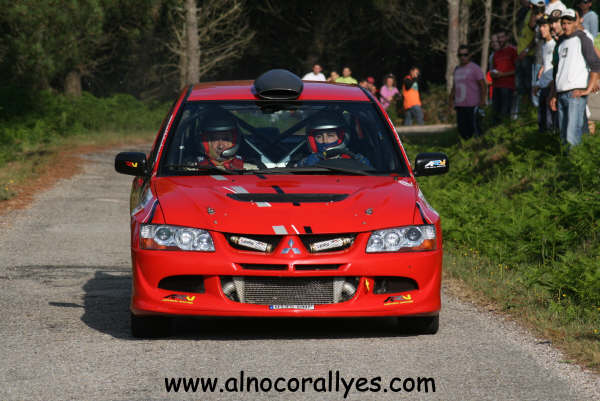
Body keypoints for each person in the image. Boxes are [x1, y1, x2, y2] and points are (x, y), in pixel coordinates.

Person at [549, 9, 600, 147]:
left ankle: (575, 159)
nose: (566, 26)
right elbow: (557, 71)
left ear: (575, 23)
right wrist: (554, 95)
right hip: (561, 93)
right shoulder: (560, 43)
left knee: (572, 135)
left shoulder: (582, 38)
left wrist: (587, 89)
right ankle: (567, 160)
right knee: (563, 135)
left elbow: (596, 64)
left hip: (575, 93)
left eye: (569, 23)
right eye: (563, 23)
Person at [296, 113, 371, 167]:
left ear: (342, 137)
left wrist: (364, 166)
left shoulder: (354, 159)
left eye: (330, 136)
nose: (325, 141)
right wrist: (303, 164)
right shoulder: (308, 160)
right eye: (319, 137)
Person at [450, 45, 486, 139]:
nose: (463, 57)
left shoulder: (475, 68)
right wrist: (451, 100)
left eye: (465, 55)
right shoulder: (457, 69)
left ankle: (477, 145)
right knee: (462, 130)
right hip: (460, 105)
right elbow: (455, 86)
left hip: (472, 104)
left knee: (474, 129)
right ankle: (465, 145)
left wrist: (483, 100)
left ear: (469, 55)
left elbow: (483, 85)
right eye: (460, 55)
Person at [532, 14, 557, 132]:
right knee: (542, 122)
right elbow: (546, 66)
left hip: (551, 86)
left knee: (550, 121)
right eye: (540, 26)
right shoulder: (545, 46)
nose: (541, 29)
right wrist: (538, 83)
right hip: (544, 86)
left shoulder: (555, 45)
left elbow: (555, 67)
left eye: (544, 26)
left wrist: (552, 84)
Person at [491, 31, 517, 123]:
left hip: (508, 87)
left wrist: (502, 74)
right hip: (496, 86)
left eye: (502, 37)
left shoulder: (513, 51)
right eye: (498, 38)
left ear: (507, 37)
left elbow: (517, 70)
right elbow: (494, 68)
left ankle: (505, 130)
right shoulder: (496, 54)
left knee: (505, 113)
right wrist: (493, 74)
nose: (500, 40)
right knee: (495, 113)